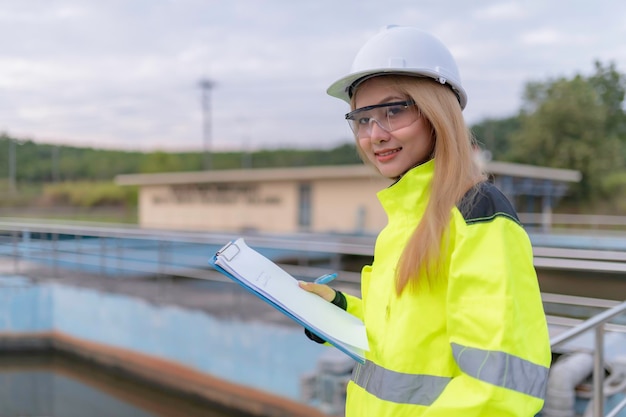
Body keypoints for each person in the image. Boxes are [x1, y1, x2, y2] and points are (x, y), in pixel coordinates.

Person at [299, 25, 551, 417]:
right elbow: (404, 340)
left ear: (437, 113)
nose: (375, 135)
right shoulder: (403, 220)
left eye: (394, 111)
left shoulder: (477, 213)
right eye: (362, 119)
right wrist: (340, 309)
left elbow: (499, 390)